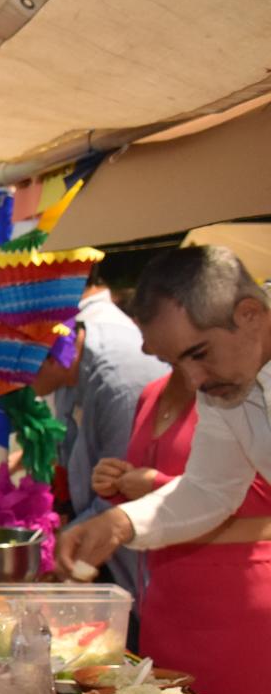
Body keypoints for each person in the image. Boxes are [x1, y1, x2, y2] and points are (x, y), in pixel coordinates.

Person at [61, 245, 271, 606]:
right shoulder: (222, 383)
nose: (192, 381)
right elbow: (211, 489)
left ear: (249, 314)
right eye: (172, 362)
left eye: (199, 353)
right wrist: (121, 522)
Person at [95, 366, 271, 694]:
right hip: (166, 596)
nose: (144, 351)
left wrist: (153, 487)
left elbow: (243, 497)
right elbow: (202, 492)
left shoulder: (233, 383)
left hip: (237, 600)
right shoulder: (154, 392)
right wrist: (120, 495)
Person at [36, 268, 169, 596]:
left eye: (15, 372)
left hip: (144, 569)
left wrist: (63, 547)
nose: (14, 387)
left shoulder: (118, 379)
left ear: (48, 355)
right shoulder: (72, 368)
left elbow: (121, 491)